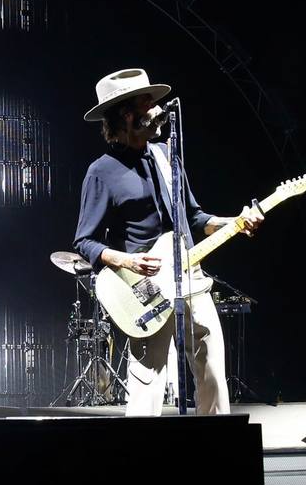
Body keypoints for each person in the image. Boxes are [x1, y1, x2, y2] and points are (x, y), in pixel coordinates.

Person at [73, 68, 263, 416]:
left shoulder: (166, 156)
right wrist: (128, 261)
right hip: (144, 291)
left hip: (192, 280)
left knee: (213, 376)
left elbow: (195, 218)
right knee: (147, 384)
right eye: (148, 103)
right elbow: (84, 242)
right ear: (127, 115)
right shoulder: (101, 171)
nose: (158, 109)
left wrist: (234, 221)